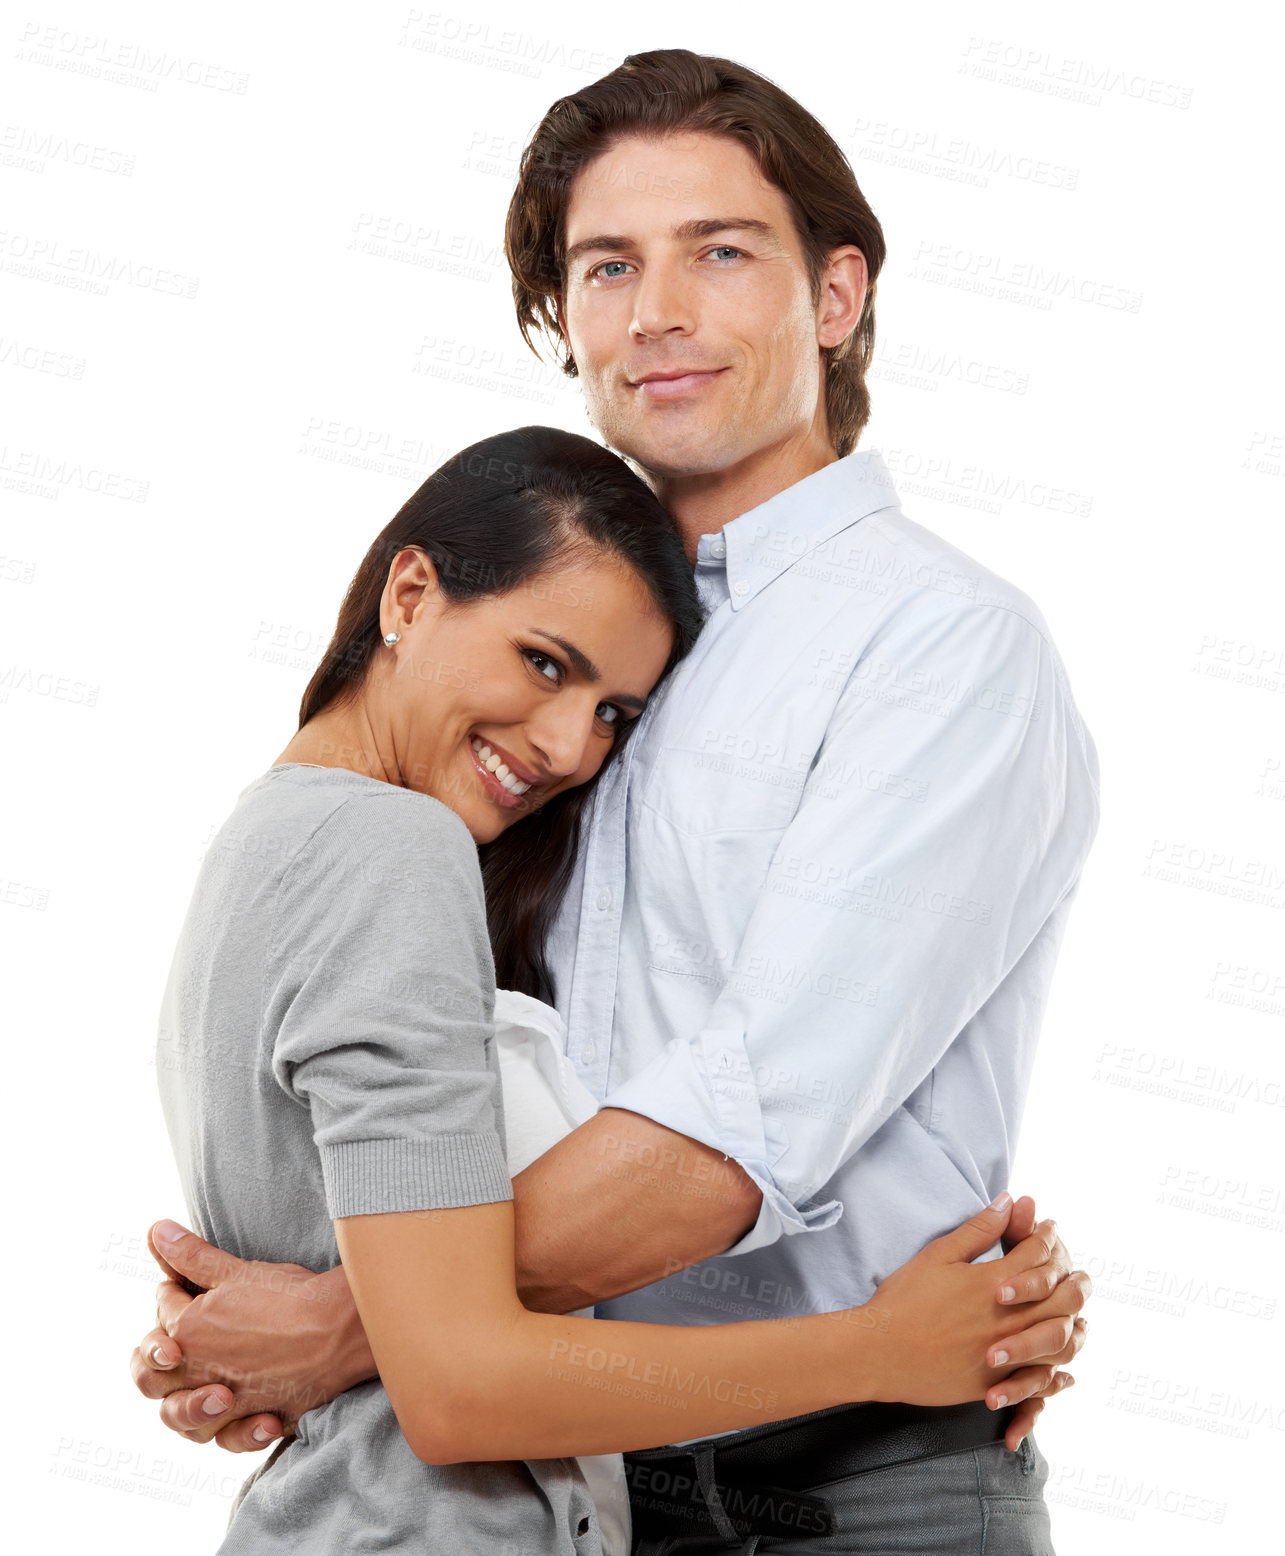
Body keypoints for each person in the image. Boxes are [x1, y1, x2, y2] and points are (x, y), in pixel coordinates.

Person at [132, 48, 1098, 1553]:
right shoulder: (562, 654)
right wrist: (297, 1297)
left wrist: (342, 1324)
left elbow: (741, 1126)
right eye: (606, 266)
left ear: (834, 299)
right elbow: (419, 1073)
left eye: (720, 253)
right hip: (567, 1482)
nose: (655, 311)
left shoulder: (938, 644)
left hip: (857, 1491)